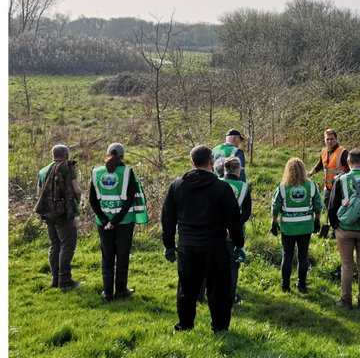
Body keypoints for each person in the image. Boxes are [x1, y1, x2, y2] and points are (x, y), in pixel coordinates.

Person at [161, 146, 246, 333]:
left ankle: (185, 325)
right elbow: (234, 220)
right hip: (215, 246)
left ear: (191, 162)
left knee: (187, 288)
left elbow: (167, 218)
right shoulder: (221, 188)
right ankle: (220, 327)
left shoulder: (177, 185)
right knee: (218, 289)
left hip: (187, 246)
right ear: (211, 161)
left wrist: (168, 244)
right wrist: (239, 244)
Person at [89, 141, 148, 301]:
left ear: (107, 154)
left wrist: (104, 219)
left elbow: (92, 200)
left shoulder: (96, 172)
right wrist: (115, 221)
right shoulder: (128, 172)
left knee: (107, 256)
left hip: (103, 222)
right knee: (122, 256)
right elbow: (130, 200)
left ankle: (107, 292)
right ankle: (121, 291)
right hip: (124, 221)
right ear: (123, 156)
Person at [328, 149, 360, 310]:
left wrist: (335, 225)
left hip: (345, 229)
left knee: (347, 265)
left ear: (349, 162)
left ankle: (346, 300)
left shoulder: (341, 180)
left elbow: (332, 205)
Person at [36, 144, 84, 289]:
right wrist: (78, 202)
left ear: (53, 155)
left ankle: (55, 279)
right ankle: (65, 281)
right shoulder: (67, 167)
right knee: (67, 244)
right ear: (66, 155)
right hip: (63, 212)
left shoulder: (43, 170)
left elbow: (39, 194)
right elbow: (76, 189)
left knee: (54, 245)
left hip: (48, 214)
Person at [271, 157, 322, 293]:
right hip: (306, 226)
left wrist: (274, 222)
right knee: (303, 256)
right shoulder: (311, 186)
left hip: (288, 227)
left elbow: (275, 206)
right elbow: (318, 205)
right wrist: (317, 220)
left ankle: (285, 286)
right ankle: (301, 285)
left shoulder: (283, 187)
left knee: (287, 256)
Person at [218, 156, 252, 303]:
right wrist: (234, 225)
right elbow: (246, 213)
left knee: (213, 263)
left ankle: (207, 294)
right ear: (238, 169)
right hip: (234, 232)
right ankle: (230, 297)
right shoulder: (244, 187)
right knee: (232, 265)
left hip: (215, 231)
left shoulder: (216, 183)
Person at [311, 129, 350, 232]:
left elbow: (349, 167)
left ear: (336, 139)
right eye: (327, 139)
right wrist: (311, 172)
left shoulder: (343, 152)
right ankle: (333, 228)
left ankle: (338, 230)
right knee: (329, 209)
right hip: (328, 188)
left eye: (331, 139)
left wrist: (340, 175)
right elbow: (320, 164)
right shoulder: (324, 151)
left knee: (338, 209)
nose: (329, 141)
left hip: (340, 188)